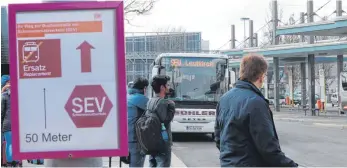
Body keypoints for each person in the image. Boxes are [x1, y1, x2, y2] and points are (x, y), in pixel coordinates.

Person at [214, 54, 298, 167]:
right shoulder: (256, 103)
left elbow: (219, 138)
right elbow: (268, 149)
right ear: (262, 76)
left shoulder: (224, 99)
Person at [147, 75, 175, 167]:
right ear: (162, 87)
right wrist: (172, 107)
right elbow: (165, 121)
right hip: (162, 142)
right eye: (167, 85)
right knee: (163, 164)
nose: (169, 87)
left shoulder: (151, 101)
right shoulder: (163, 102)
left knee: (152, 164)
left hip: (151, 140)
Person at [127, 77, 149, 167]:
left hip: (125, 138)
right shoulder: (143, 100)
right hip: (136, 139)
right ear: (144, 88)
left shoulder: (127, 97)